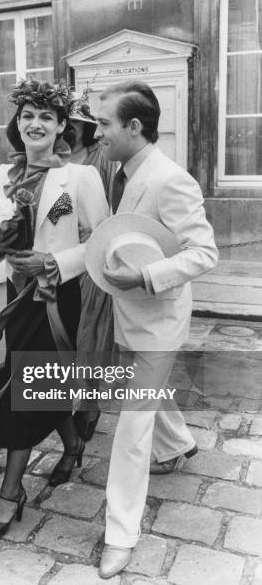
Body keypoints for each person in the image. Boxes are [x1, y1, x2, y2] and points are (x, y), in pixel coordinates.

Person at [88, 80, 218, 579]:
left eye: (104, 124)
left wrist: (145, 276)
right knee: (150, 396)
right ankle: (180, 445)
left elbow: (204, 252)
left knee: (131, 425)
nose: (97, 132)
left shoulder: (170, 179)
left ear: (134, 126)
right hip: (132, 315)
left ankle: (120, 534)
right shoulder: (122, 170)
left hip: (157, 320)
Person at [0, 79, 109, 541]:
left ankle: (10, 493)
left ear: (61, 127)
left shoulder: (81, 179)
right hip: (17, 296)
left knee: (28, 388)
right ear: (17, 123)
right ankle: (72, 444)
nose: (35, 124)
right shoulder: (1, 175)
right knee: (38, 382)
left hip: (59, 299)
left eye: (46, 117)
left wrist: (54, 261)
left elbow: (101, 240)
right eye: (27, 115)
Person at [65, 97, 118, 441]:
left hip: (94, 259)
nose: (68, 132)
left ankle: (88, 405)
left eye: (74, 126)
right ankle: (73, 405)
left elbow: (113, 207)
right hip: (64, 258)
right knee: (68, 340)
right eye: (65, 126)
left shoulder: (102, 161)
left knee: (90, 337)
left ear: (87, 129)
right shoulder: (56, 162)